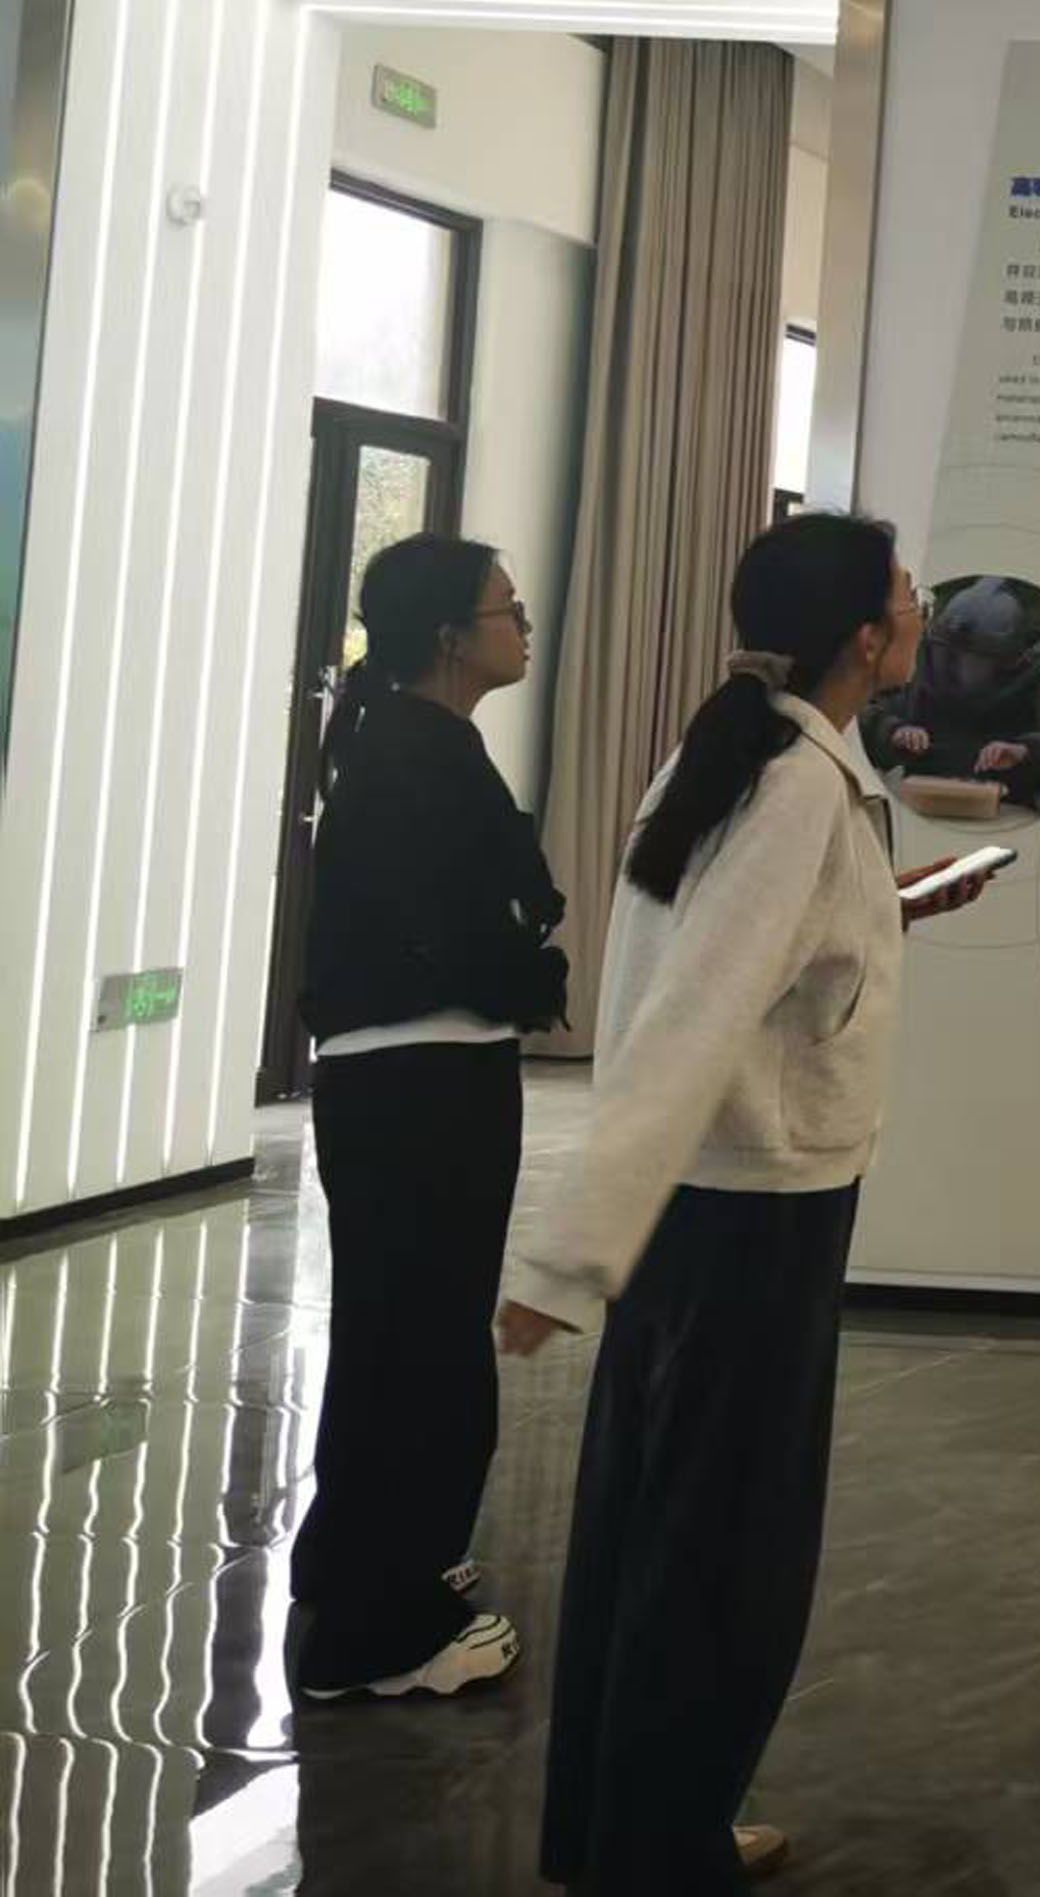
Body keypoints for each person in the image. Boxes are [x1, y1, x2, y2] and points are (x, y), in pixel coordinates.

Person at [497, 513, 990, 1892]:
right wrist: (566, 1256)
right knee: (725, 1557)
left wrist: (880, 910)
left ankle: (625, 1834)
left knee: (658, 1533)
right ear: (865, 639)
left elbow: (728, 962)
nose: (920, 609)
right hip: (749, 1219)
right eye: (906, 594)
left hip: (709, 1209)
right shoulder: (792, 788)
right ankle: (660, 1853)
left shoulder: (744, 753)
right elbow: (692, 1014)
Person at [290, 535, 566, 1704]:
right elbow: (476, 929)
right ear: (453, 638)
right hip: (424, 1081)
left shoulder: (408, 741)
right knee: (424, 1350)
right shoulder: (417, 752)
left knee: (398, 1339)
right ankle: (381, 1632)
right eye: (509, 610)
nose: (522, 626)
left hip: (410, 1078)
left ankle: (364, 1569)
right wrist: (528, 962)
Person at [859, 576, 1040, 811]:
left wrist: (1028, 750)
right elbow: (858, 722)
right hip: (920, 821)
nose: (956, 670)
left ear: (1007, 664)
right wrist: (893, 733)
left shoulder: (1038, 695)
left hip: (1016, 827)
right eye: (948, 656)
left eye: (973, 663)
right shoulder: (918, 690)